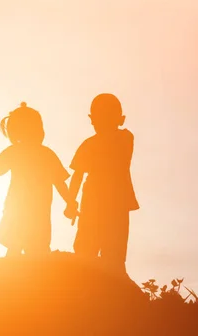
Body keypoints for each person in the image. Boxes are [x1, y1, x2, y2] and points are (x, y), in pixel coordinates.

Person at [0, 102, 79, 255]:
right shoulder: (46, 154)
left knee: (16, 246)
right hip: (36, 208)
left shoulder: (16, 151)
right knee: (35, 247)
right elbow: (59, 182)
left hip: (19, 206)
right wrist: (70, 201)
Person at [69, 93, 139, 273]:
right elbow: (77, 175)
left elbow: (78, 175)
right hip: (95, 201)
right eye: (96, 118)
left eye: (104, 117)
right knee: (86, 249)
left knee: (114, 253)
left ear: (120, 119)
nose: (97, 122)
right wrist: (71, 201)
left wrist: (71, 201)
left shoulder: (125, 138)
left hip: (115, 202)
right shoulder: (89, 144)